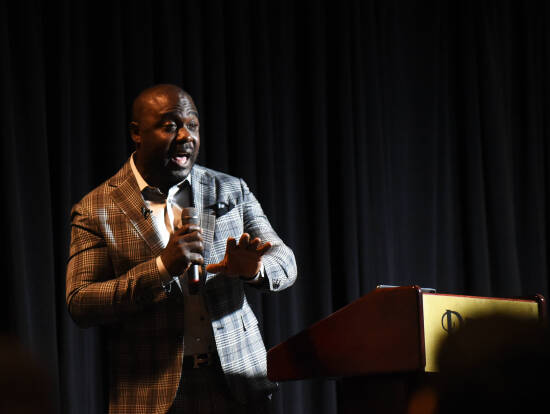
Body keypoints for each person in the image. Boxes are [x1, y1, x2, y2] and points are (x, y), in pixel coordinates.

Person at [65, 84, 297, 413]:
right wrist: (160, 268)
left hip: (238, 385)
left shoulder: (229, 189)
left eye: (193, 125)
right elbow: (81, 303)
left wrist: (255, 269)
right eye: (171, 125)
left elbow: (285, 261)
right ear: (137, 133)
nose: (186, 135)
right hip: (153, 395)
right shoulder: (96, 208)